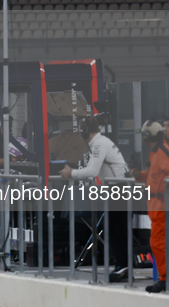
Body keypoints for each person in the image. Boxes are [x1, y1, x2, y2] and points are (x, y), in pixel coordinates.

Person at [59, 116, 130, 282]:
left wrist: (72, 173)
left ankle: (123, 265)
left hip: (118, 189)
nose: (78, 133)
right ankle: (123, 265)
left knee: (117, 229)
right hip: (116, 188)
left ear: (85, 131)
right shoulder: (100, 143)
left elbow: (92, 171)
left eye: (79, 130)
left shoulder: (99, 144)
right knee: (114, 229)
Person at [130, 120, 169, 293]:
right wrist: (140, 175)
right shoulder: (156, 153)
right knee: (161, 242)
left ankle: (165, 278)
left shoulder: (162, 152)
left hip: (162, 205)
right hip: (157, 206)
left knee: (157, 242)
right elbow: (154, 174)